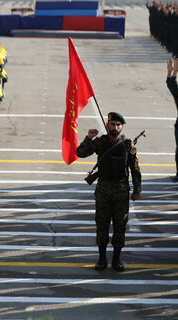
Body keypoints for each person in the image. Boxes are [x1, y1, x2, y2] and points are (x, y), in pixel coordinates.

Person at [76, 112, 141, 272]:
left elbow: (135, 169)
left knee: (120, 227)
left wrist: (137, 190)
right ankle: (102, 258)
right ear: (107, 125)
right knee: (102, 225)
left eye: (118, 125)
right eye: (112, 124)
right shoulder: (100, 143)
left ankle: (117, 259)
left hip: (121, 193)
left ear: (122, 126)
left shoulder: (127, 145)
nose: (115, 127)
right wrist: (89, 138)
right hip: (104, 192)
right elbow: (80, 153)